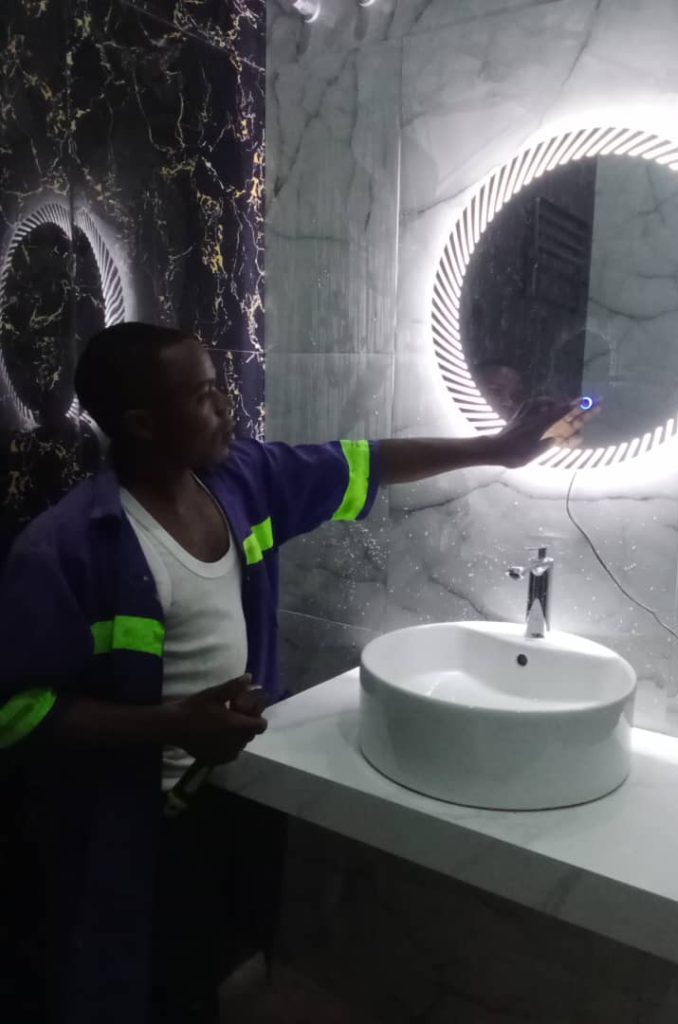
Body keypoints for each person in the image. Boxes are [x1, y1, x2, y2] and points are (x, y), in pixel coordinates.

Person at [0, 323, 590, 1024]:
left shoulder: (241, 480)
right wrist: (170, 725)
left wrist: (497, 448)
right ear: (142, 422)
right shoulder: (65, 549)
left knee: (221, 963)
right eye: (203, 396)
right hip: (135, 827)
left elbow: (365, 463)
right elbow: (15, 712)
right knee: (143, 985)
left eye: (221, 387)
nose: (227, 407)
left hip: (239, 791)